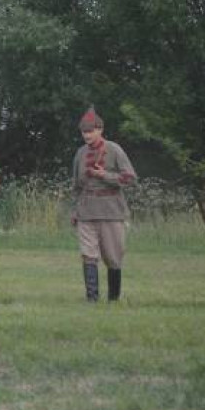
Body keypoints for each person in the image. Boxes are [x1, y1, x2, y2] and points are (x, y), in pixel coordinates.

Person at [71, 107, 136, 302]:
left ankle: (113, 299)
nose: (87, 135)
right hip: (86, 211)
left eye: (90, 130)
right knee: (88, 255)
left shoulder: (115, 150)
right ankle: (92, 298)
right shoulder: (80, 153)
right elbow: (76, 186)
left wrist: (105, 175)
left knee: (113, 257)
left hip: (111, 211)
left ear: (100, 129)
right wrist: (74, 210)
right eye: (84, 131)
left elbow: (130, 179)